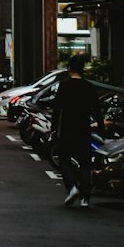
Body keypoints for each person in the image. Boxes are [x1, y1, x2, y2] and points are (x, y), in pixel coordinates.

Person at [50, 53, 99, 209]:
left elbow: (57, 109)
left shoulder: (64, 85)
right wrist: (102, 129)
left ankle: (72, 188)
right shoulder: (89, 87)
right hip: (84, 129)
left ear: (69, 68)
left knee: (64, 160)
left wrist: (53, 128)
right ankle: (85, 198)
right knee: (85, 163)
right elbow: (97, 111)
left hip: (67, 129)